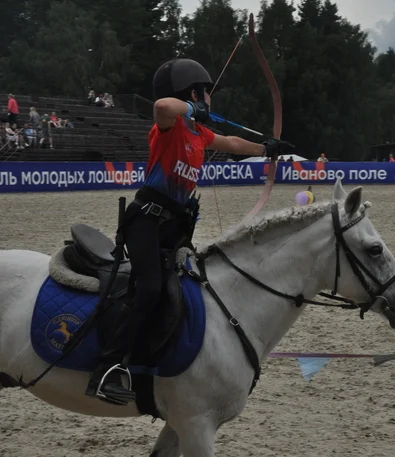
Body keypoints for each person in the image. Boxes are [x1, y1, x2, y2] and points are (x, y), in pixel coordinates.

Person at [85, 58, 293, 405]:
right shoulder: (169, 126)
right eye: (205, 93)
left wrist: (266, 150)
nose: (210, 100)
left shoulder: (199, 133)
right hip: (146, 222)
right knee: (149, 289)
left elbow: (231, 143)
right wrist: (194, 109)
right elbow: (163, 106)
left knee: (189, 286)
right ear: (192, 92)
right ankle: (106, 369)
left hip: (175, 226)